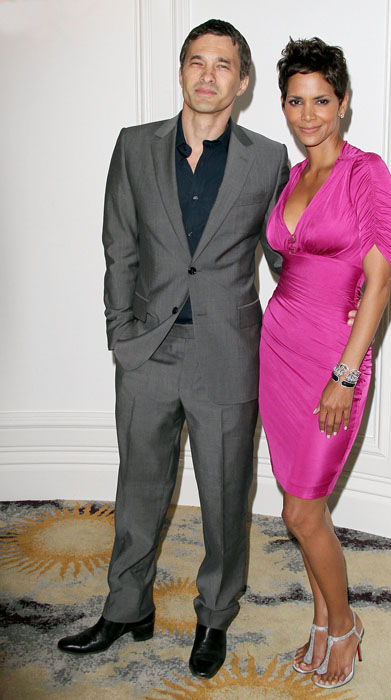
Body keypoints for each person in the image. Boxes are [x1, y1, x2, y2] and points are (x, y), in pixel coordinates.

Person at [57, 19, 289, 679]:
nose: (208, 75)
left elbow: (286, 256)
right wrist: (119, 333)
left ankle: (214, 616)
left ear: (242, 83)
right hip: (147, 350)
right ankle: (126, 607)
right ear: (182, 70)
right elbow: (119, 245)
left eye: (223, 65)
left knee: (224, 497)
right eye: (197, 61)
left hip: (227, 352)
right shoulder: (134, 146)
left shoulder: (268, 159)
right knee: (138, 489)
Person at [259, 38, 391, 690]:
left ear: (343, 103)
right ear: (284, 105)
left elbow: (379, 280)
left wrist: (347, 372)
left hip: (332, 360)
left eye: (321, 100)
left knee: (300, 514)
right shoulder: (291, 178)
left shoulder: (365, 173)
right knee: (303, 505)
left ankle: (344, 624)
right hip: (279, 348)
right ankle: (320, 618)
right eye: (296, 101)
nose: (308, 114)